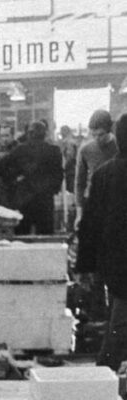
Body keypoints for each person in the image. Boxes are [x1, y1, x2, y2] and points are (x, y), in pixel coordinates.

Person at [76, 112, 127, 371]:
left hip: (116, 259)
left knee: (120, 314)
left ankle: (105, 370)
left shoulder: (105, 173)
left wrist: (85, 266)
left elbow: (91, 222)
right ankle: (105, 370)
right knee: (120, 319)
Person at [0, 120, 63, 235]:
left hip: (24, 197)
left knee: (22, 235)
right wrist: (53, 189)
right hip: (45, 198)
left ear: (28, 134)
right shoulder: (54, 150)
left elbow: (0, 167)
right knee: (45, 235)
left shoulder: (20, 149)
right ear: (45, 134)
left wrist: (13, 181)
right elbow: (59, 174)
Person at [74, 110, 117, 225]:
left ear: (110, 130)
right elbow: (79, 183)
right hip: (93, 202)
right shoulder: (85, 150)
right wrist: (79, 213)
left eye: (101, 134)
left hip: (116, 202)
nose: (97, 138)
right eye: (94, 135)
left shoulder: (120, 147)